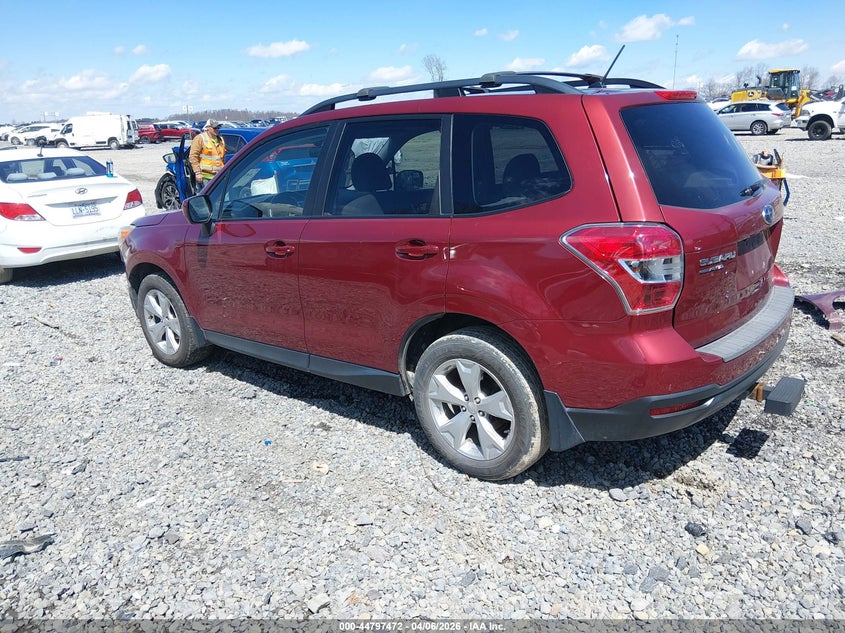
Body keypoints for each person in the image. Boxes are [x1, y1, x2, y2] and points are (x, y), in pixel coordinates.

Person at [189, 119, 226, 188]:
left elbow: (222, 158)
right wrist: (197, 173)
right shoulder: (200, 138)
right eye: (214, 128)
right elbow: (193, 156)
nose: (216, 129)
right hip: (205, 177)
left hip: (219, 176)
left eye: (218, 128)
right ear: (208, 128)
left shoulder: (221, 139)